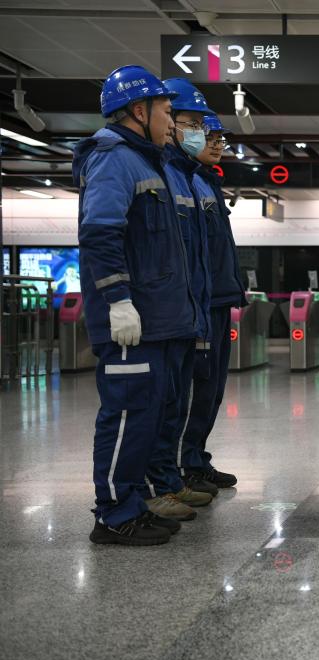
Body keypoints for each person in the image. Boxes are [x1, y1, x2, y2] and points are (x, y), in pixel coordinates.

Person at [74, 65, 194, 545]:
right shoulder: (113, 159)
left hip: (157, 321)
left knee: (147, 415)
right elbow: (100, 233)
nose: (172, 122)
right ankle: (112, 514)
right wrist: (118, 300)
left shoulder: (148, 162)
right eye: (166, 111)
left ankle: (134, 503)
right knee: (126, 413)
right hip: (131, 321)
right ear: (139, 111)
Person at [141, 77, 216, 521]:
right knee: (160, 403)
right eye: (185, 121)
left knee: (178, 402)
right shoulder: (159, 172)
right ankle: (156, 485)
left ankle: (169, 479)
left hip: (188, 309)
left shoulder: (188, 176)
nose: (194, 132)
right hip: (163, 311)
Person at [177, 112, 246, 490]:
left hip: (218, 299)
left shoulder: (205, 180)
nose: (218, 144)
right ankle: (181, 465)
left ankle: (196, 458)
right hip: (199, 302)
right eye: (210, 135)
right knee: (196, 387)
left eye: (222, 138)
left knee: (213, 389)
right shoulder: (182, 178)